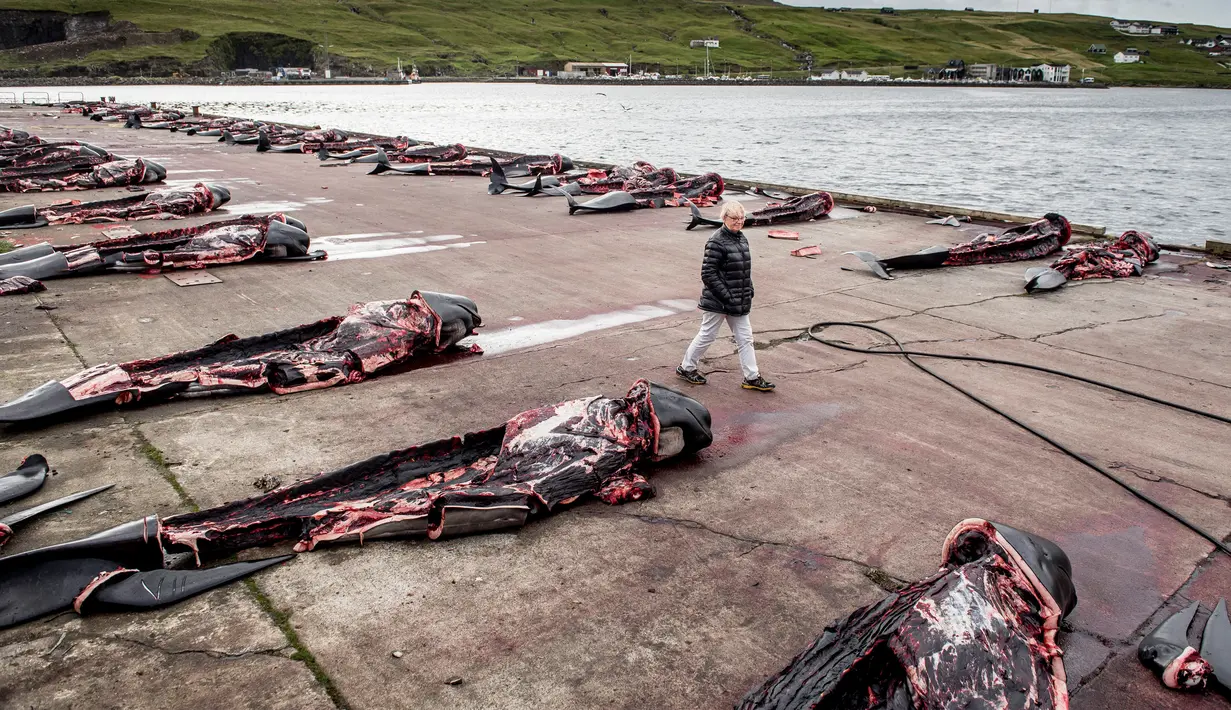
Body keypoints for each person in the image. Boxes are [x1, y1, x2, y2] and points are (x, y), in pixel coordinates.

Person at [677, 201, 775, 392]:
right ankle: (686, 368)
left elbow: (743, 269)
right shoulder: (716, 241)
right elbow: (708, 274)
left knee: (745, 338)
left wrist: (749, 288)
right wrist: (727, 296)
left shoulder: (741, 238)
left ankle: (752, 377)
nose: (739, 222)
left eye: (741, 218)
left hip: (739, 299)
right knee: (707, 335)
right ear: (724, 219)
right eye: (734, 219)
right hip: (718, 301)